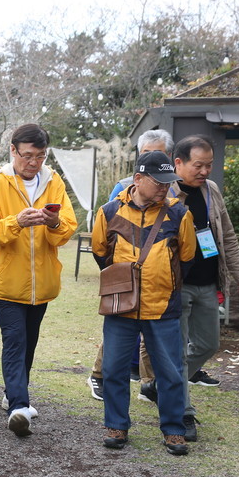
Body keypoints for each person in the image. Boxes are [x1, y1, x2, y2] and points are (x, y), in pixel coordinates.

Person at [92, 151, 196, 455]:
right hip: (120, 306)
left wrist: (163, 282)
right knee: (113, 368)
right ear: (138, 179)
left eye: (169, 182)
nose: (165, 187)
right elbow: (101, 253)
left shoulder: (179, 214)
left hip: (164, 307)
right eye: (159, 181)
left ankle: (174, 429)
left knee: (171, 372)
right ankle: (116, 425)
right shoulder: (109, 212)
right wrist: (126, 285)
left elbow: (186, 258)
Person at [0, 124, 77, 437]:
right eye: (27, 156)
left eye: (39, 156)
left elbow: (67, 230)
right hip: (6, 282)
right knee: (15, 340)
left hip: (43, 285)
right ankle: (18, 407)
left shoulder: (55, 182)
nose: (33, 163)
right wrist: (16, 222)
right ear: (12, 150)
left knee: (29, 342)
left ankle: (14, 392)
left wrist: (54, 223)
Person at [169, 134, 239, 440]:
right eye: (198, 165)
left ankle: (161, 383)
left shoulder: (211, 191)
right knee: (177, 354)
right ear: (178, 163)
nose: (205, 171)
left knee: (208, 345)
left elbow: (227, 236)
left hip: (207, 283)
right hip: (174, 286)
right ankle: (182, 413)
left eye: (209, 165)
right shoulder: (164, 192)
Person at [87, 129, 174, 401]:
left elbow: (186, 254)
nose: (149, 159)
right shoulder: (122, 190)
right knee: (119, 327)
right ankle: (102, 376)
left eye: (156, 153)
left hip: (161, 287)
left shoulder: (174, 194)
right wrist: (123, 270)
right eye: (145, 155)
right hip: (126, 282)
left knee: (154, 336)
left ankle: (150, 383)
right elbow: (103, 246)